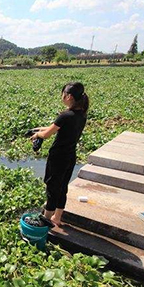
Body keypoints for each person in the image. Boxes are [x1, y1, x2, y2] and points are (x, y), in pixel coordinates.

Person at [30, 82, 89, 226]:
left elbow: (47, 134)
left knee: (52, 187)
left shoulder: (65, 115)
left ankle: (46, 220)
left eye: (63, 94)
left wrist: (38, 135)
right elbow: (54, 128)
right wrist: (37, 130)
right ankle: (57, 218)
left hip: (58, 158)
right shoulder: (81, 114)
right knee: (62, 187)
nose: (61, 97)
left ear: (68, 96)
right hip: (70, 157)